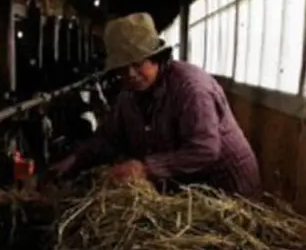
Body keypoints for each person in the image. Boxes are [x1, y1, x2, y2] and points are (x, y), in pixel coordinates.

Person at [49, 12, 261, 198]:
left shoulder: (190, 89)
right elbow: (110, 138)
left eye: (137, 64)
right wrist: (77, 158)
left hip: (227, 190)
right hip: (189, 193)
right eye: (122, 68)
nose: (130, 74)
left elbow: (204, 149)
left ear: (156, 58)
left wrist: (145, 168)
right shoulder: (129, 96)